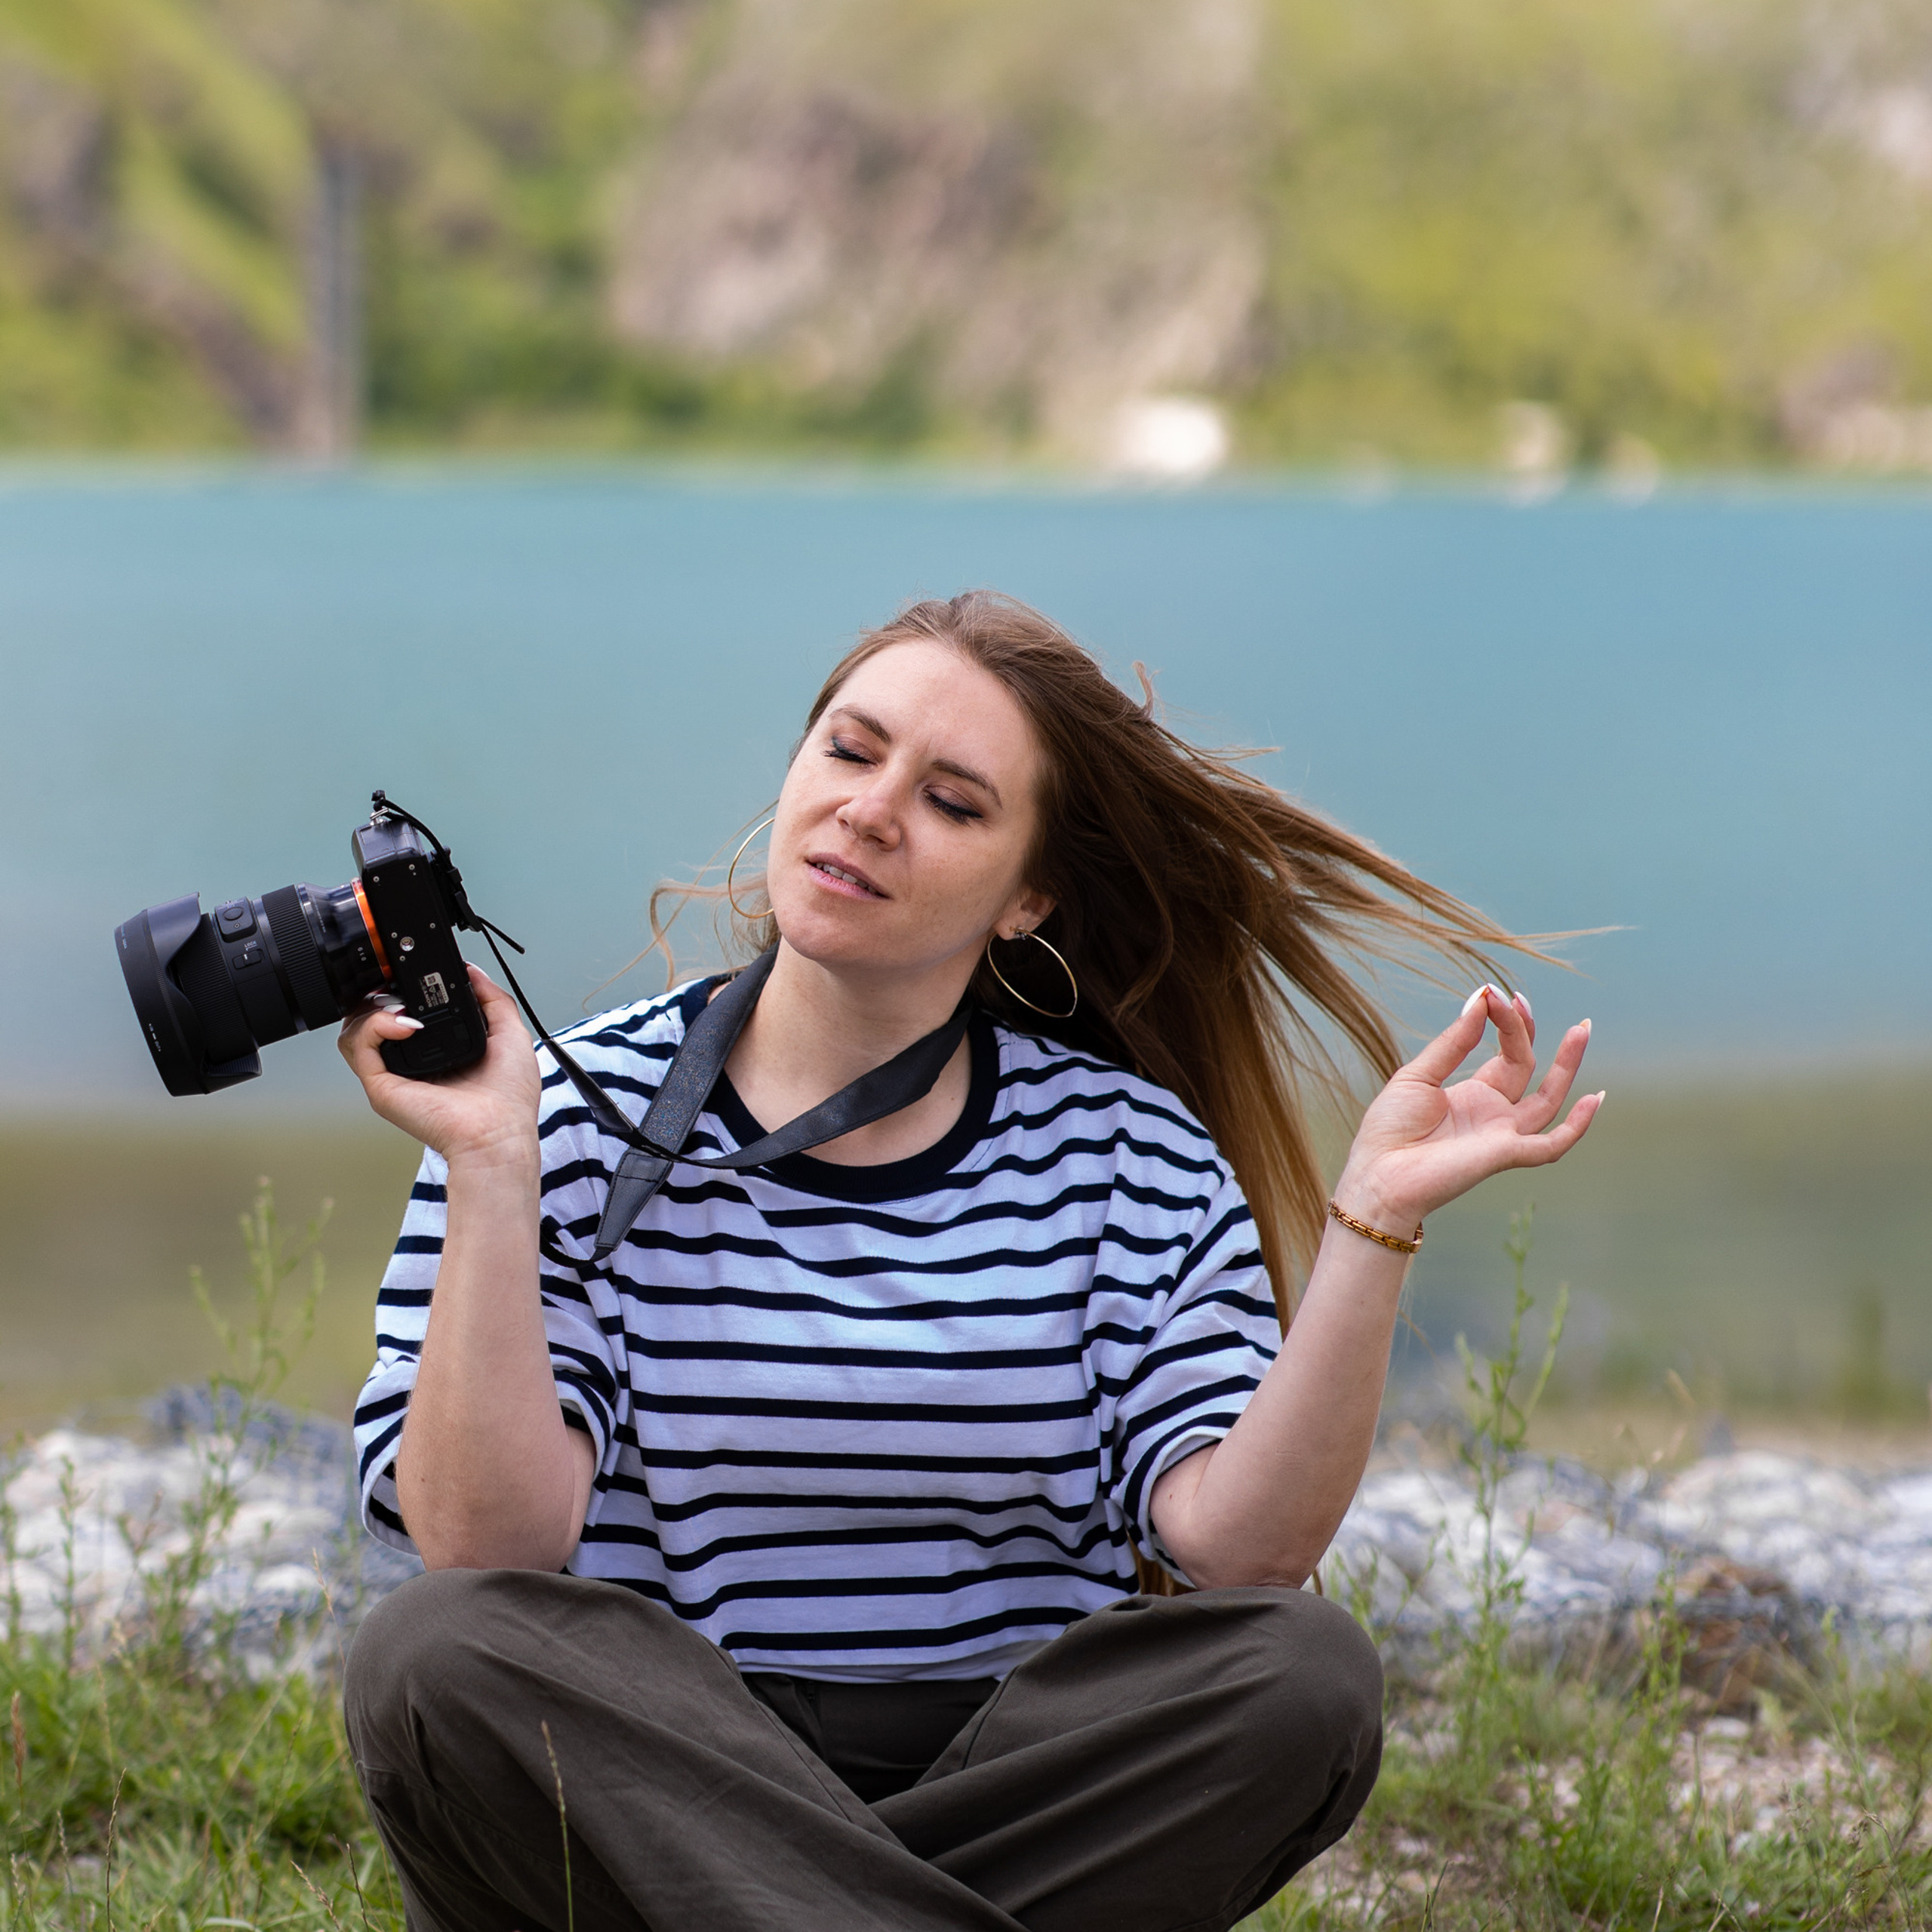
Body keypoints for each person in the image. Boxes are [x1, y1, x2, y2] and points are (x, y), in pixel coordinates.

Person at [340, 590, 1601, 1932]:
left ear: (1028, 897)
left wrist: (1373, 1219)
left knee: (1303, 1676)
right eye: (848, 750)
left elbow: (1241, 1554)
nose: (871, 811)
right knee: (438, 1653)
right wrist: (489, 1167)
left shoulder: (1124, 1152)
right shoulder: (561, 1110)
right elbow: (488, 1544)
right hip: (654, 1768)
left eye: (953, 802)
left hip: (1003, 1778)